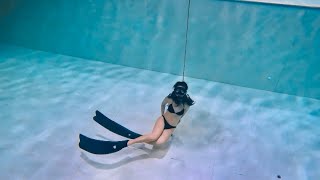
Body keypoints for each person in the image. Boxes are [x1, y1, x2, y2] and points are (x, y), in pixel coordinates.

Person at [79, 81, 195, 154]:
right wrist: (162, 115)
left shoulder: (187, 104)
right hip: (163, 120)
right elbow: (162, 104)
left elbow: (181, 117)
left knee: (159, 143)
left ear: (184, 93)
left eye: (181, 92)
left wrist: (173, 127)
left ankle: (143, 138)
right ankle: (127, 143)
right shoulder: (169, 98)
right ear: (174, 91)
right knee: (154, 136)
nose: (178, 94)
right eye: (177, 92)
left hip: (171, 127)